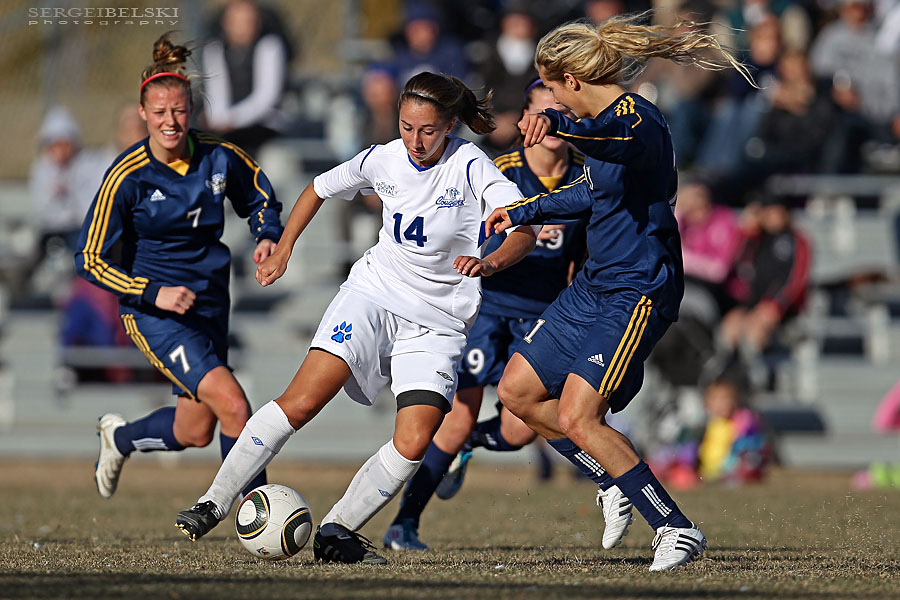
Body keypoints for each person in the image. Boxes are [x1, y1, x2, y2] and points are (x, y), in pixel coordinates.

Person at [174, 72, 540, 565]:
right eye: (406, 126)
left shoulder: (472, 166)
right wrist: (283, 249)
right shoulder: (383, 156)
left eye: (427, 130)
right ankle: (214, 501)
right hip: (373, 296)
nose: (414, 140)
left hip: (438, 323)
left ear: (450, 125)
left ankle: (337, 531)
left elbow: (524, 228)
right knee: (301, 402)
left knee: (413, 442)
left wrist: (490, 262)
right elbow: (318, 189)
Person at [484, 14, 755, 572]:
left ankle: (676, 528)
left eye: (553, 90)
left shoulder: (637, 120)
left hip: (637, 289)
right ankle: (611, 479)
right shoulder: (602, 131)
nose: (551, 101)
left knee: (583, 418)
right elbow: (590, 192)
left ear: (572, 81)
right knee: (517, 392)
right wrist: (522, 210)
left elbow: (606, 139)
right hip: (593, 285)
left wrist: (560, 124)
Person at [384, 79, 610, 552]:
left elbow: (582, 256)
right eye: (540, 110)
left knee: (518, 431)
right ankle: (404, 524)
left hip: (544, 316)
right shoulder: (498, 170)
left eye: (560, 110)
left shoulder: (587, 178)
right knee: (456, 418)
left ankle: (466, 449)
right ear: (525, 117)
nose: (550, 122)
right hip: (485, 307)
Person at [75, 34, 284, 501]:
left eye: (180, 110)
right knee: (234, 407)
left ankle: (121, 438)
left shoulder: (217, 155)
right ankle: (258, 515)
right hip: (156, 314)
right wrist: (152, 292)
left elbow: (258, 194)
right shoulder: (126, 177)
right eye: (160, 112)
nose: (171, 121)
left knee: (194, 431)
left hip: (210, 301)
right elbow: (88, 258)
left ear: (192, 110)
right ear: (144, 114)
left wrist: (267, 233)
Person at [201, 0, 289, 158]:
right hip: (224, 132)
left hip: (264, 131)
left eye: (249, 21)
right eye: (236, 21)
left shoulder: (269, 46)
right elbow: (216, 91)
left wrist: (233, 120)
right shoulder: (215, 48)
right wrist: (219, 120)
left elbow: (266, 96)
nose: (243, 28)